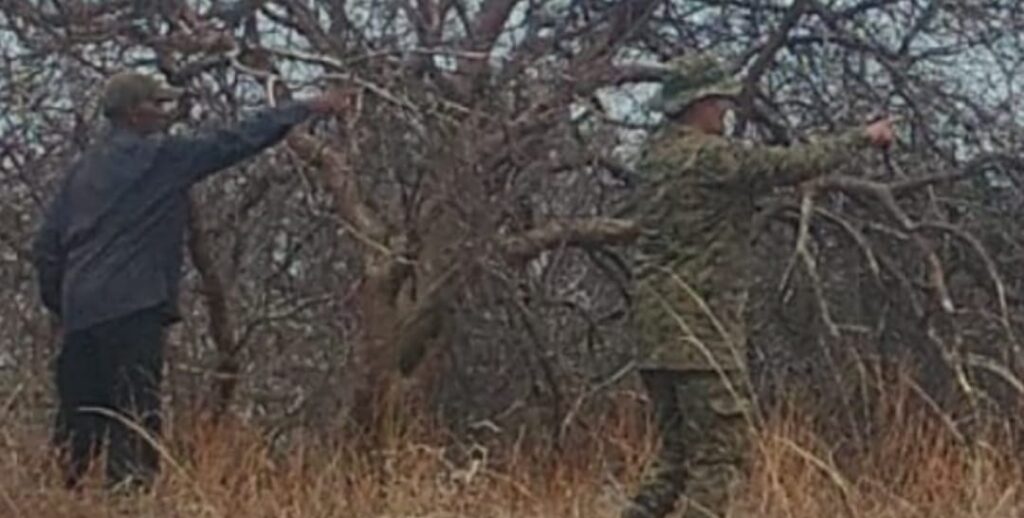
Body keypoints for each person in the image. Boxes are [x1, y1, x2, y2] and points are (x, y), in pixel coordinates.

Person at [31, 71, 349, 490]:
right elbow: (236, 140)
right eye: (157, 104)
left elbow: (46, 248)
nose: (165, 112)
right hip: (134, 307)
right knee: (135, 415)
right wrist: (305, 107)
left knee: (77, 423)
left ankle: (57, 499)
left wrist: (65, 303)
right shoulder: (163, 158)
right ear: (133, 113)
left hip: (82, 313)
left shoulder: (80, 173)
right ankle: (129, 503)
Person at [621, 53, 894, 518]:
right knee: (720, 460)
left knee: (674, 462)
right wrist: (862, 137)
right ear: (699, 104)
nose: (726, 112)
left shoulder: (653, 156)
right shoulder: (711, 157)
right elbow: (790, 164)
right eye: (720, 102)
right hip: (701, 330)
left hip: (654, 330)